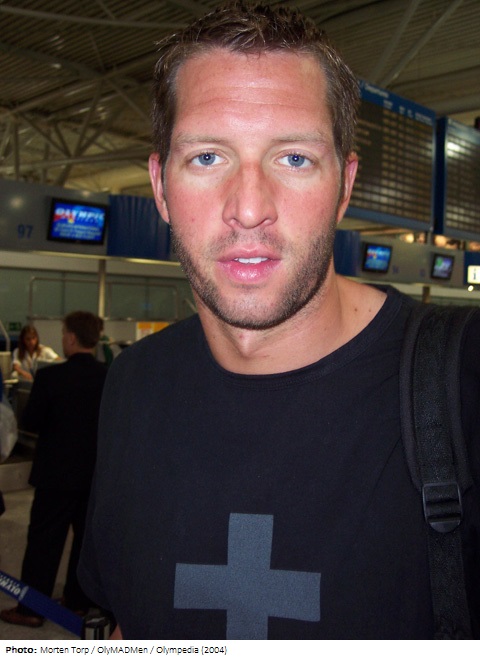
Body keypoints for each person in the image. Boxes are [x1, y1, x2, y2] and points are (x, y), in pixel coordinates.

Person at [78, 1, 480, 640]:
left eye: (294, 158)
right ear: (159, 186)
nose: (248, 208)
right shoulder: (133, 385)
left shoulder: (462, 382)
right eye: (207, 157)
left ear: (344, 186)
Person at [0, 311, 108, 628]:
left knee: (44, 542)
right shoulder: (110, 376)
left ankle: (32, 609)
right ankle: (77, 602)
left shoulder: (51, 377)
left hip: (55, 476)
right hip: (93, 477)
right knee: (84, 542)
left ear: (71, 338)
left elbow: (31, 422)